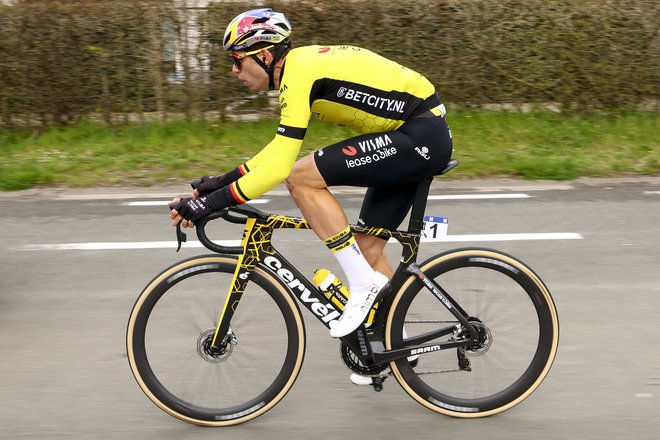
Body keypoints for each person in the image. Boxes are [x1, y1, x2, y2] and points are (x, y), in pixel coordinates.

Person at [169, 8, 453, 382]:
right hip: (410, 135)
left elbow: (280, 168)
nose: (234, 72)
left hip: (419, 135)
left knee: (302, 179)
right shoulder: (297, 73)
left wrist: (211, 203)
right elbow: (276, 151)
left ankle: (364, 287)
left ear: (265, 56)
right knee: (367, 250)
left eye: (238, 62)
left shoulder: (299, 72)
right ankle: (391, 347)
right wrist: (218, 183)